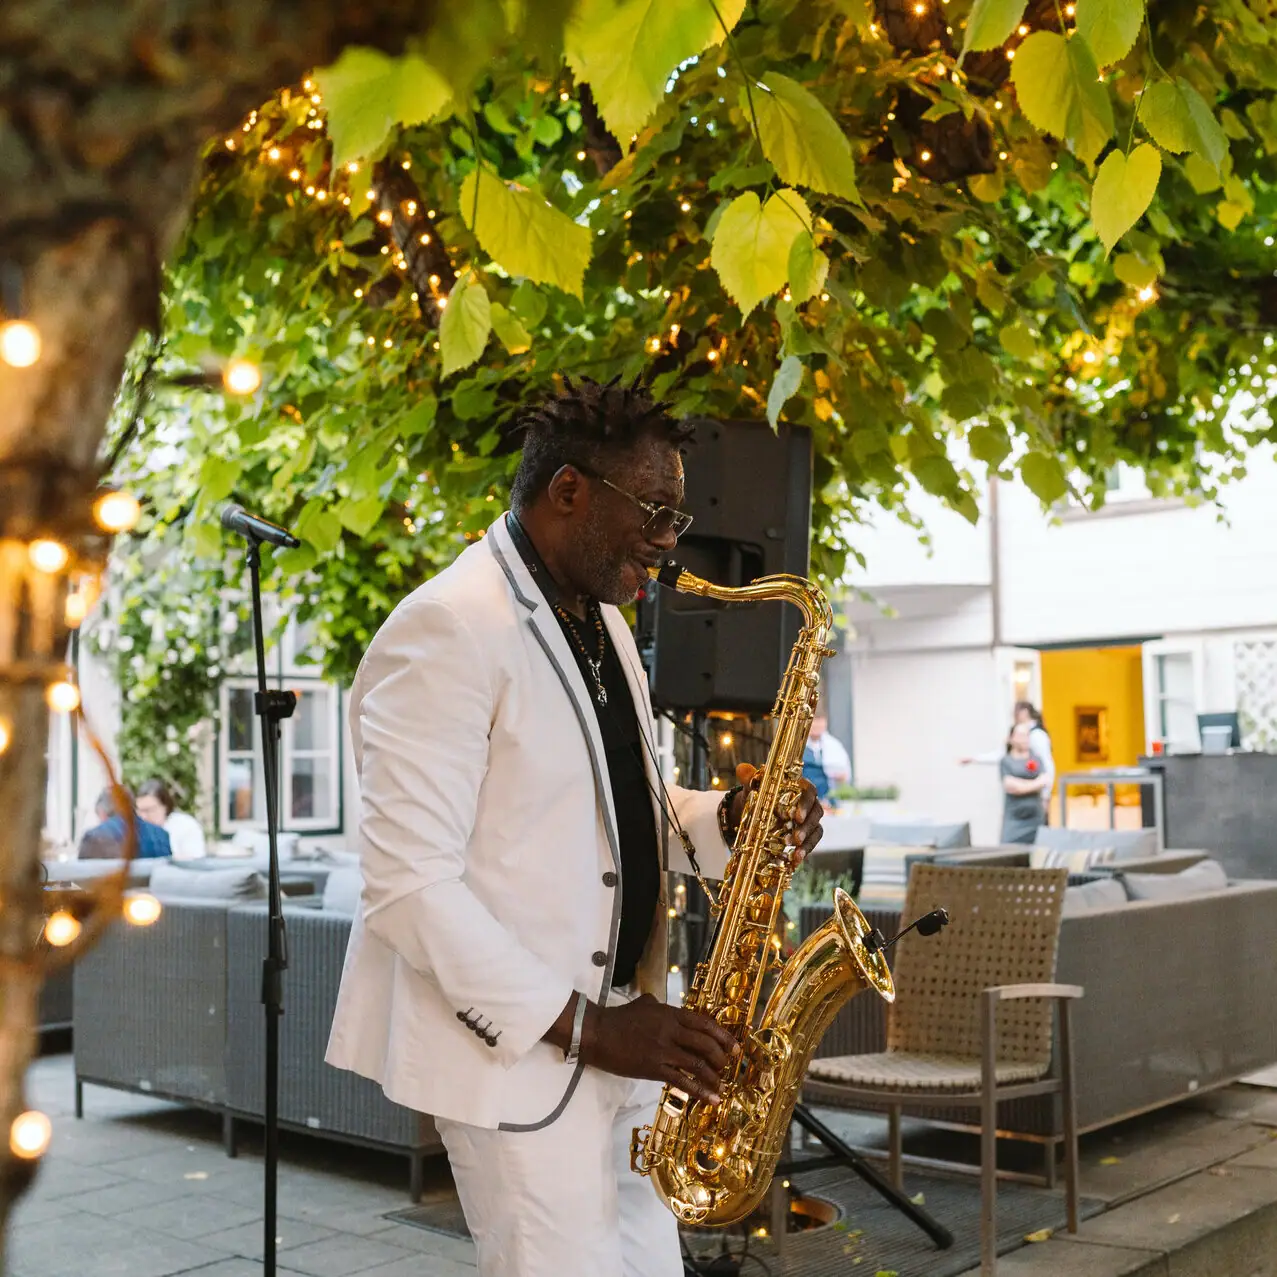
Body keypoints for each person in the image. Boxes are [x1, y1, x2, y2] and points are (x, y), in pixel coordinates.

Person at [325, 376, 825, 1277]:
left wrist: (733, 819)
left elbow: (627, 807)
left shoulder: (602, 624)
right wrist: (592, 1029)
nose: (672, 543)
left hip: (626, 1041)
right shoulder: (446, 627)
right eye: (658, 513)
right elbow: (408, 889)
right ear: (568, 492)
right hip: (524, 1059)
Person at [960, 700, 1055, 823]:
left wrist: (1045, 795)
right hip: (1015, 806)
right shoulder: (1009, 757)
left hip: (1034, 802)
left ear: (1024, 713)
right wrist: (975, 759)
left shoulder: (1037, 735)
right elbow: (1000, 755)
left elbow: (1047, 766)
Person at [78, 786, 172, 860]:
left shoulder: (94, 837)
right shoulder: (161, 835)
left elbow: (79, 879)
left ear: (102, 813)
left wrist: (63, 883)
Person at [999, 722, 1048, 844]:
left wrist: (1021, 784)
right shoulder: (1006, 761)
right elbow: (1010, 786)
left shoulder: (1036, 758)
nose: (1024, 739)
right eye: (1020, 735)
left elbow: (1044, 781)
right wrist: (1034, 783)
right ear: (1011, 738)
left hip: (1035, 818)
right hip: (1014, 819)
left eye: (1027, 735)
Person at [136, 779, 206, 861]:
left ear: (165, 807)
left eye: (149, 810)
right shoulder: (138, 830)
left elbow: (196, 859)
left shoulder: (186, 826)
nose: (143, 816)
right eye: (140, 811)